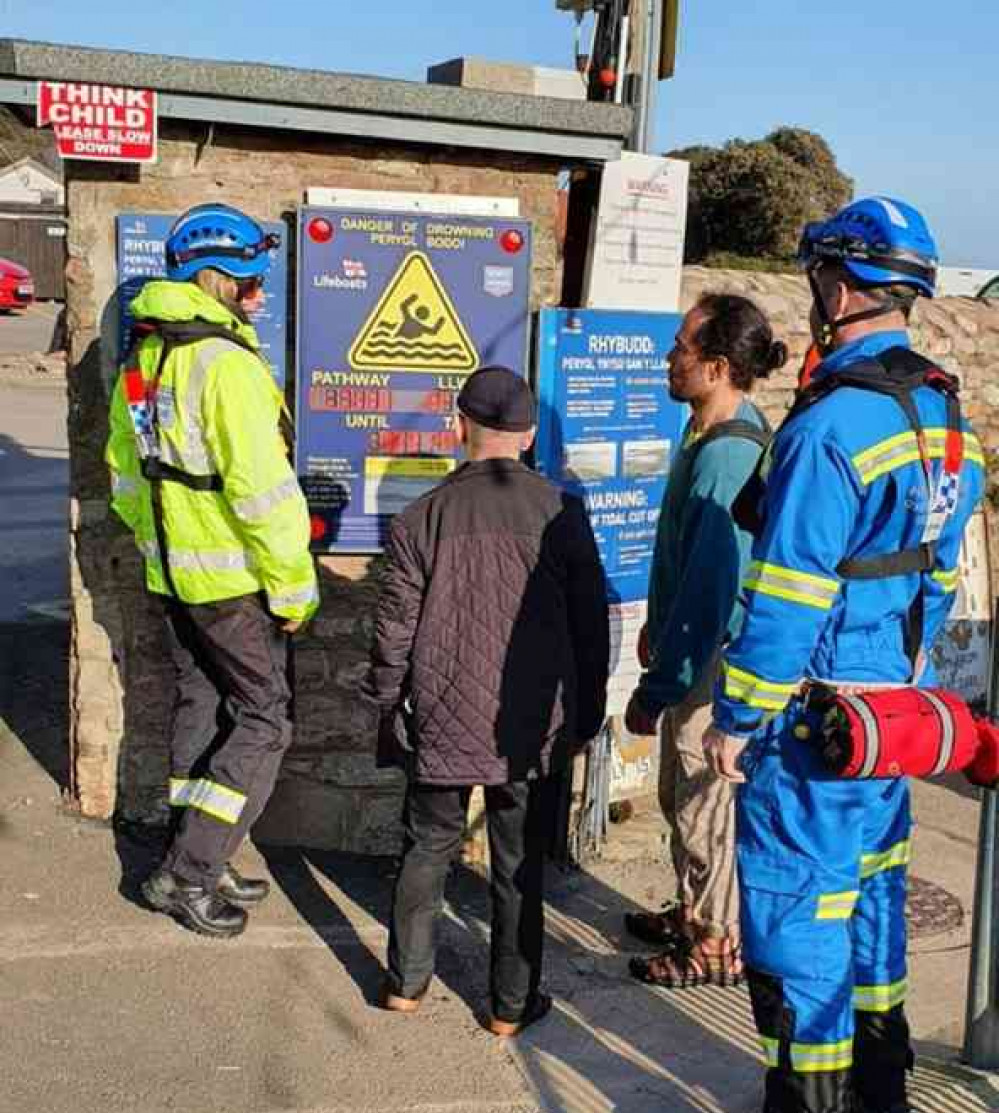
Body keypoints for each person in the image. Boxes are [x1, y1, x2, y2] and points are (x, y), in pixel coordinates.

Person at [701, 197, 985, 1113]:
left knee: (794, 914)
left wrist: (738, 720)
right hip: (890, 712)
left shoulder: (830, 428)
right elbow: (943, 571)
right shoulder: (948, 416)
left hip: (812, 715)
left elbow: (784, 594)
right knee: (872, 894)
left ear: (840, 283)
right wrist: (900, 677)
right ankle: (881, 1078)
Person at [364, 367, 610, 1036]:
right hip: (531, 723)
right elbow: (592, 626)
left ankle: (404, 984)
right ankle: (508, 1006)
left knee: (426, 848)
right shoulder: (562, 513)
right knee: (517, 863)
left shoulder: (421, 517)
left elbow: (393, 631)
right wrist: (585, 714)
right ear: (528, 437)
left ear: (457, 426)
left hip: (441, 714)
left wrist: (389, 706)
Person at [106, 203, 318, 939]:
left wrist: (160, 549)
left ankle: (202, 846)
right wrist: (293, 586)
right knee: (264, 721)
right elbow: (264, 492)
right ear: (209, 278)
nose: (260, 296)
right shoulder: (226, 365)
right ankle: (187, 874)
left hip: (174, 578)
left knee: (204, 709)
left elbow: (125, 477)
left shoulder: (142, 359)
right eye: (250, 283)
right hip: (231, 584)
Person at [623, 294, 786, 989]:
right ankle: (697, 910)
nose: (668, 357)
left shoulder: (725, 455)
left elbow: (709, 592)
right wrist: (656, 631)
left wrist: (654, 688)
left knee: (701, 799)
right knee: (684, 795)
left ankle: (714, 941)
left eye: (680, 348)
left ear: (716, 366)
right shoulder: (714, 430)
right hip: (691, 649)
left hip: (710, 663)